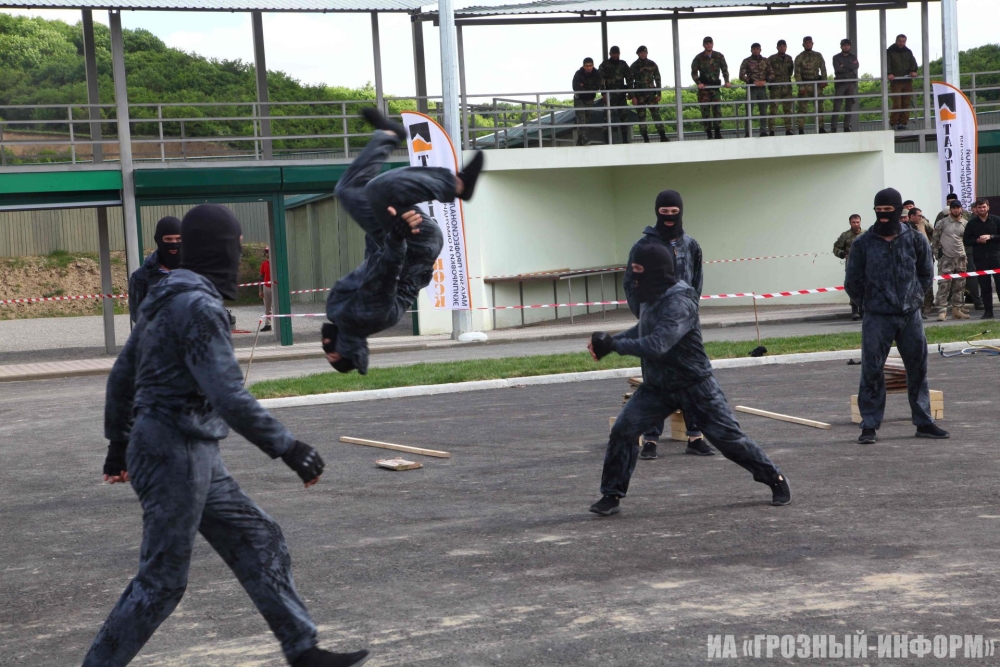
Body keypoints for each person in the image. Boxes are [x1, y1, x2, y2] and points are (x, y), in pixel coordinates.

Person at [84, 204, 370, 667]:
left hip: (186, 448)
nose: (239, 257)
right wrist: (289, 448)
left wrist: (119, 445)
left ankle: (304, 650)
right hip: (174, 449)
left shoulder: (165, 297)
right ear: (222, 250)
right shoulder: (198, 307)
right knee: (161, 583)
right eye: (236, 248)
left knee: (260, 539)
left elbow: (122, 374)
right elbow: (228, 394)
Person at [587, 243, 791, 516]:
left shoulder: (680, 301)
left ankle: (774, 479)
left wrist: (614, 345)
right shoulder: (649, 295)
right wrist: (611, 341)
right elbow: (643, 329)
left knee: (728, 440)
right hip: (658, 386)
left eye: (638, 270)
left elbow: (658, 343)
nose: (633, 276)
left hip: (695, 385)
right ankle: (611, 495)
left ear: (656, 271)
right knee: (623, 430)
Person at [322, 109, 483, 374]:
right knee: (378, 190)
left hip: (391, 243)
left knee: (348, 190)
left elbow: (369, 268)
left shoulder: (343, 316)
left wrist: (376, 228)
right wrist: (395, 236)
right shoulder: (362, 319)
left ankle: (388, 134)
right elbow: (385, 275)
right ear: (345, 349)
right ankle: (456, 185)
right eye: (332, 354)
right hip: (413, 248)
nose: (325, 347)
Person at [844, 187, 949, 445]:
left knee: (918, 368)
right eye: (878, 212)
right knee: (871, 370)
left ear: (899, 211)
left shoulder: (915, 240)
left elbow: (926, 274)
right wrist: (869, 305)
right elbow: (852, 282)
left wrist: (913, 298)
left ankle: (924, 421)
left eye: (888, 212)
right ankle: (869, 425)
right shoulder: (862, 243)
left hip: (909, 315)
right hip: (877, 317)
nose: (882, 217)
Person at [622, 190, 711, 459]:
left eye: (675, 212)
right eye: (664, 212)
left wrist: (689, 315)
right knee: (654, 382)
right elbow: (630, 284)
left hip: (686, 329)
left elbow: (697, 282)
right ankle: (650, 440)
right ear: (656, 212)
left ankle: (695, 437)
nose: (670, 217)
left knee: (693, 380)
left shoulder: (691, 245)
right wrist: (645, 316)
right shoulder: (643, 247)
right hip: (654, 329)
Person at [128, 216, 181, 325]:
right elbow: (137, 315)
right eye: (168, 239)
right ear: (158, 240)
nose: (174, 243)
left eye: (178, 239)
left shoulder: (196, 271)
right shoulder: (141, 277)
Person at [933, 200, 971, 321]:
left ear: (961, 209)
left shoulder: (965, 223)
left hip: (960, 258)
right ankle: (942, 311)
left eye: (957, 208)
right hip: (946, 258)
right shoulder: (942, 223)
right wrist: (937, 256)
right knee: (944, 285)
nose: (956, 210)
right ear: (950, 210)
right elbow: (935, 240)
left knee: (960, 285)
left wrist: (966, 257)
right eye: (953, 208)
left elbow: (967, 241)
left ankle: (957, 310)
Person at [963, 198, 1000, 319]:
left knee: (999, 285)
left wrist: (991, 236)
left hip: (996, 257)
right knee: (985, 286)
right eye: (979, 207)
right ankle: (988, 311)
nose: (982, 209)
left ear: (988, 207)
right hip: (980, 258)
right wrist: (977, 240)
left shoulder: (996, 220)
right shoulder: (972, 223)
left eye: (984, 207)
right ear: (976, 209)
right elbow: (966, 240)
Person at [691, 36, 731, 140]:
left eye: (710, 43)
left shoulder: (719, 56)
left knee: (717, 110)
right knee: (705, 111)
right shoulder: (698, 58)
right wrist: (698, 82)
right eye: (706, 43)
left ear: (712, 44)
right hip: (704, 89)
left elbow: (725, 69)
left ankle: (717, 132)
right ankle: (709, 133)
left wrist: (726, 81)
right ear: (703, 45)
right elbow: (694, 72)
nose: (708, 45)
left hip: (715, 87)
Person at [630, 46, 669, 143]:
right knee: (642, 117)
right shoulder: (634, 66)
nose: (643, 54)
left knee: (656, 115)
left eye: (644, 52)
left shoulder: (652, 64)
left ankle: (662, 135)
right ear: (638, 54)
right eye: (641, 52)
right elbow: (630, 82)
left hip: (651, 94)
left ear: (647, 53)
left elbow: (658, 79)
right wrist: (633, 96)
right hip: (639, 94)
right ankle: (645, 138)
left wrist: (659, 94)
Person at [599, 46, 634, 144]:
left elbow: (629, 78)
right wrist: (603, 93)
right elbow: (600, 80)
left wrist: (631, 92)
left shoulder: (623, 64)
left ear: (619, 53)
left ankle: (625, 139)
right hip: (610, 96)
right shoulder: (604, 65)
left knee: (624, 117)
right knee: (607, 117)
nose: (615, 55)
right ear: (610, 54)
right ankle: (606, 141)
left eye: (616, 53)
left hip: (621, 95)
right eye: (613, 53)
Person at [738, 42, 773, 138]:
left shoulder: (765, 61)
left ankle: (763, 131)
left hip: (762, 88)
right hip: (751, 88)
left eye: (757, 49)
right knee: (749, 111)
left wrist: (766, 80)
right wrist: (752, 81)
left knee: (763, 110)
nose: (756, 51)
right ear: (751, 50)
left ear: (760, 50)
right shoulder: (746, 61)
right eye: (754, 49)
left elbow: (771, 73)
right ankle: (748, 131)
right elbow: (741, 75)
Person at [833, 214, 864, 320]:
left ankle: (864, 309)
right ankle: (855, 310)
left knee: (866, 286)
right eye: (853, 222)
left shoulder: (866, 234)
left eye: (858, 222)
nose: (856, 224)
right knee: (853, 285)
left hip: (866, 264)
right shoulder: (845, 236)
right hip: (852, 264)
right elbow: (836, 249)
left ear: (860, 222)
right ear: (850, 223)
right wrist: (843, 254)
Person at [794, 36, 827, 134]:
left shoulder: (818, 55)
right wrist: (801, 86)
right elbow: (797, 73)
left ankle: (821, 128)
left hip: (817, 84)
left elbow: (823, 68)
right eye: (806, 43)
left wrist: (824, 80)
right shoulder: (799, 57)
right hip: (805, 84)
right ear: (803, 44)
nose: (808, 44)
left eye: (809, 42)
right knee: (802, 108)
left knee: (819, 107)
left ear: (812, 43)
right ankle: (801, 129)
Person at [907, 207, 936, 317]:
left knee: (924, 284)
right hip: (913, 260)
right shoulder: (906, 227)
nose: (920, 217)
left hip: (923, 258)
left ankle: (924, 306)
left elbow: (933, 233)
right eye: (918, 215)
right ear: (911, 216)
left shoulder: (923, 223)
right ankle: (916, 310)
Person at [887, 34, 919, 131]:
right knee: (897, 103)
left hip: (907, 80)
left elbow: (913, 63)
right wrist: (889, 73)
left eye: (903, 41)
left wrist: (913, 71)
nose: (901, 43)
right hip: (896, 81)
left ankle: (903, 122)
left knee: (906, 103)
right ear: (896, 40)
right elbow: (886, 64)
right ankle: (893, 123)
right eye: (900, 41)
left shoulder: (908, 52)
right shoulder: (890, 51)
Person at [767, 40, 795, 136]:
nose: (782, 48)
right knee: (773, 109)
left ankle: (788, 129)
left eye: (784, 46)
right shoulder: (771, 59)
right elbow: (768, 71)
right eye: (780, 46)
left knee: (787, 109)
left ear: (786, 47)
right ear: (777, 47)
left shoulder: (789, 58)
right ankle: (771, 130)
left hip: (787, 86)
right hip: (776, 87)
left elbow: (790, 72)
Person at [573, 57, 602, 146]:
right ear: (583, 66)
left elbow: (597, 86)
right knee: (581, 118)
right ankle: (583, 138)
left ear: (593, 65)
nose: (588, 68)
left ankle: (580, 140)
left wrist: (584, 85)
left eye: (590, 66)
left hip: (590, 99)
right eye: (586, 66)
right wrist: (588, 87)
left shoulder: (596, 73)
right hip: (580, 99)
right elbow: (575, 87)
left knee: (587, 118)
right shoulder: (578, 74)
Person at [831, 39, 859, 132]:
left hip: (851, 83)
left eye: (847, 45)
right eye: (844, 45)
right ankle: (833, 127)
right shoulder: (836, 57)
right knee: (837, 106)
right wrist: (849, 66)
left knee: (849, 106)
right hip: (840, 83)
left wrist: (844, 65)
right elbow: (838, 69)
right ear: (841, 46)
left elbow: (856, 66)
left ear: (850, 46)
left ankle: (847, 126)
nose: (846, 47)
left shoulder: (853, 56)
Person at [260, 246, 273, 332]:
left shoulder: (276, 262)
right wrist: (260, 290)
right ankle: (268, 324)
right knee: (267, 307)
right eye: (266, 252)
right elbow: (261, 277)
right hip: (266, 287)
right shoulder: (264, 264)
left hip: (275, 287)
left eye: (268, 251)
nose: (267, 253)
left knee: (278, 306)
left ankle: (281, 324)